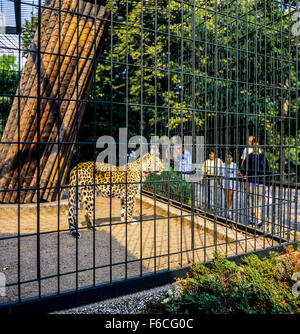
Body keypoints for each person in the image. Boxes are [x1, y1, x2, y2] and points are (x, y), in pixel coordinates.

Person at [240, 142, 271, 227]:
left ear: (259, 147)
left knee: (258, 202)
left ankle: (254, 219)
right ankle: (257, 220)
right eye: (254, 146)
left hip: (261, 183)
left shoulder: (263, 157)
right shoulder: (249, 156)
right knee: (252, 202)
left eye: (257, 146)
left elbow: (267, 170)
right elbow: (244, 170)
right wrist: (245, 182)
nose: (255, 147)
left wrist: (268, 184)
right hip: (251, 182)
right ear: (252, 147)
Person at [218, 151, 238, 220]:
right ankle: (227, 212)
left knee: (230, 198)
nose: (228, 159)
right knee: (226, 198)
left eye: (230, 157)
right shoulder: (222, 165)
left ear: (232, 158)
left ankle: (228, 211)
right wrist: (220, 183)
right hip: (225, 184)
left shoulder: (234, 165)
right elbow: (219, 174)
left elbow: (237, 174)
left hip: (232, 184)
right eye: (227, 157)